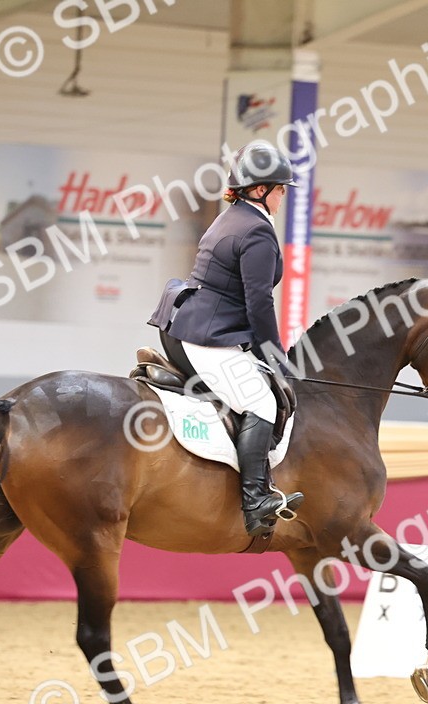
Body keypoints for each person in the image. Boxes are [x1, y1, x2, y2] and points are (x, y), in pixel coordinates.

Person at [148, 141, 304, 536]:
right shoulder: (257, 230)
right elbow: (259, 303)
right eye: (279, 189)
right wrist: (275, 356)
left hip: (189, 326)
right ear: (259, 190)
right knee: (261, 400)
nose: (283, 196)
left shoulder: (231, 217)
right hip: (206, 336)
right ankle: (255, 499)